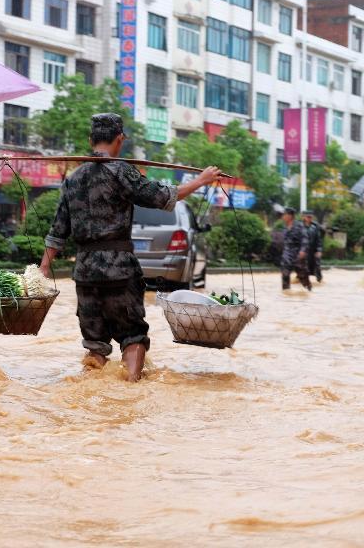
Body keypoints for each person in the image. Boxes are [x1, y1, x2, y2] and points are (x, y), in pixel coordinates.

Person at [38, 113, 225, 382]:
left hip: (85, 274)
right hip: (119, 271)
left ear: (91, 140)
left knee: (95, 343)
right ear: (120, 139)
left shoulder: (74, 178)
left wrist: (44, 267)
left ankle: (91, 392)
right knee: (133, 336)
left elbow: (58, 230)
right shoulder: (122, 171)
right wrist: (201, 180)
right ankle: (130, 391)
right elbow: (162, 197)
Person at [281, 207, 312, 292]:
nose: (283, 217)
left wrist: (303, 250)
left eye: (284, 215)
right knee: (285, 275)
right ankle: (286, 294)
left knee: (303, 277)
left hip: (298, 256)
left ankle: (309, 291)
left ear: (290, 216)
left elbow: (305, 239)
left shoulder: (299, 226)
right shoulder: (284, 227)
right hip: (287, 256)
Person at [302, 210, 324, 283]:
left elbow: (318, 240)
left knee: (317, 267)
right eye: (308, 217)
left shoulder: (315, 227)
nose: (309, 218)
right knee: (303, 268)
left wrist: (319, 250)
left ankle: (319, 282)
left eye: (311, 217)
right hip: (303, 251)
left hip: (313, 251)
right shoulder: (299, 227)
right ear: (304, 217)